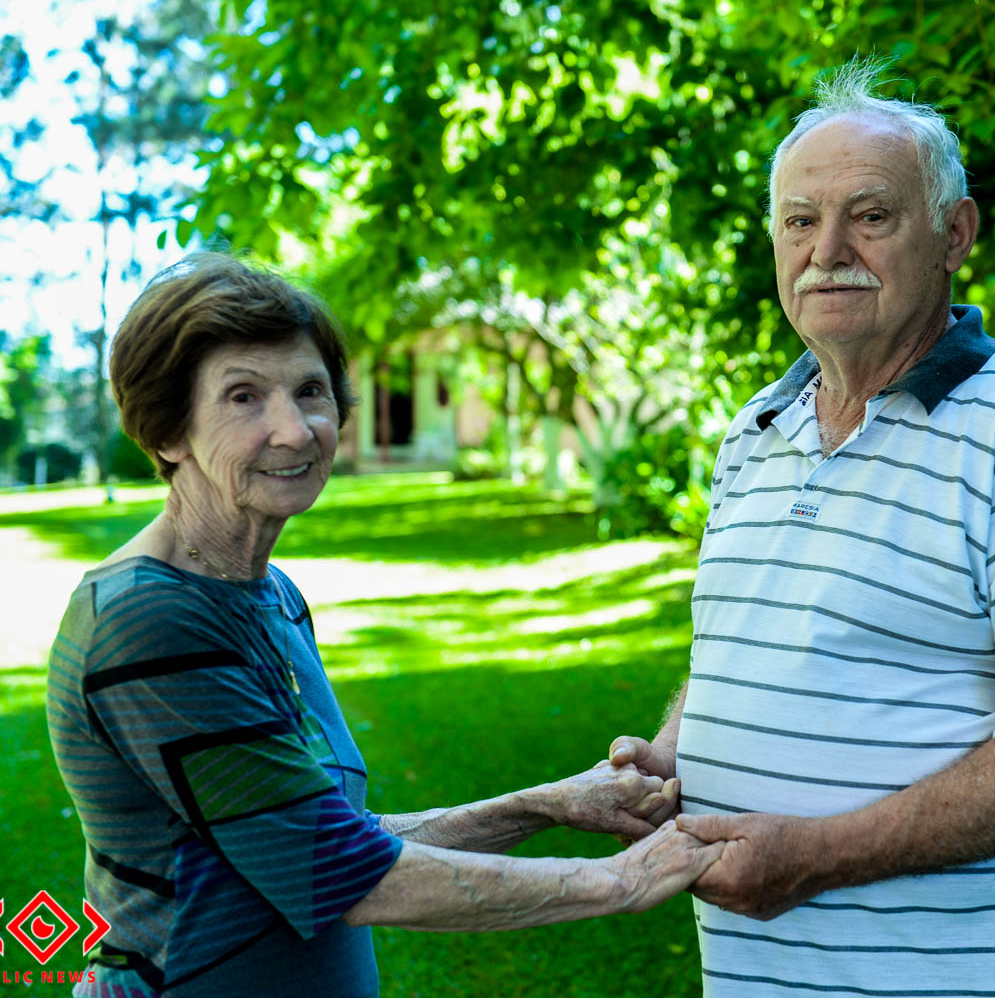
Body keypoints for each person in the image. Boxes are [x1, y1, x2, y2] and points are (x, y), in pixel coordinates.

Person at [606, 61, 995, 996]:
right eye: (799, 221)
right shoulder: (757, 430)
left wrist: (815, 856)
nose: (827, 250)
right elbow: (752, 643)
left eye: (870, 216)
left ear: (955, 235)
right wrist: (672, 750)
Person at [45, 253, 717, 998]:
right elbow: (342, 873)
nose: (295, 429)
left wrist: (553, 803)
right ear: (169, 433)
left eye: (310, 390)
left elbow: (320, 834)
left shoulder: (269, 593)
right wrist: (622, 880)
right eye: (243, 397)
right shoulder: (147, 621)